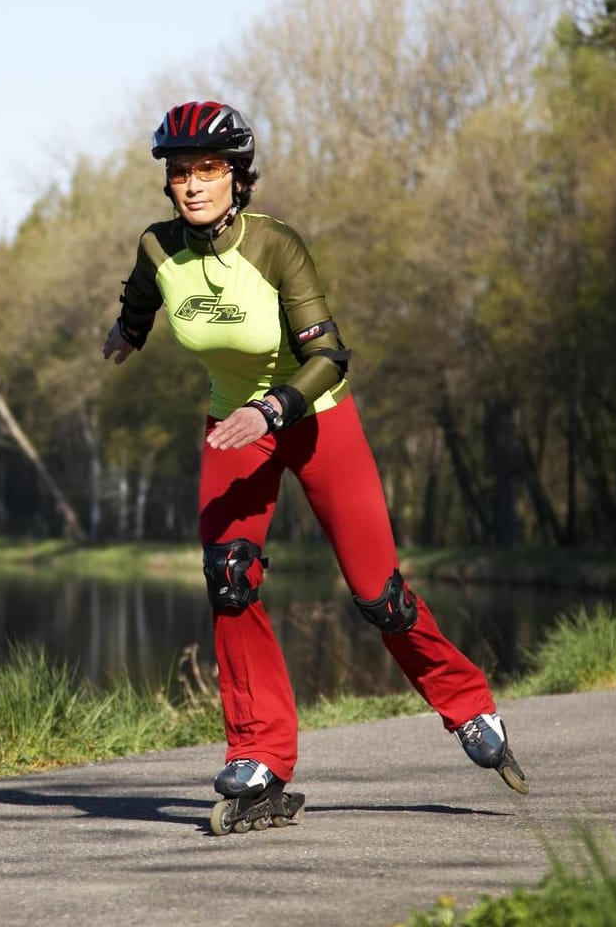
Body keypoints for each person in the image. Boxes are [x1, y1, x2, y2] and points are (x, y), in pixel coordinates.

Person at [101, 101, 527, 816]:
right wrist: (127, 331)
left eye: (209, 170)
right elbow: (142, 296)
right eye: (181, 174)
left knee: (378, 597)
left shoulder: (277, 247)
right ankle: (258, 754)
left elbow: (329, 355)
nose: (194, 185)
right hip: (233, 427)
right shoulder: (156, 248)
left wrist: (269, 409)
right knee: (229, 576)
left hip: (315, 417)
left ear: (238, 177)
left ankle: (467, 704)